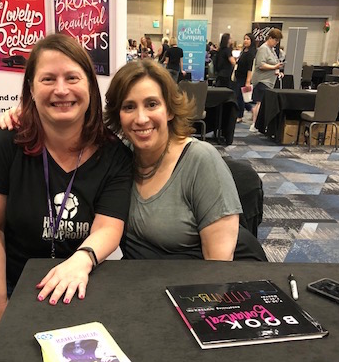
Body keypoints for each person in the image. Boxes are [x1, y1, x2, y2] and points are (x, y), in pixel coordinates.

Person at [0, 34, 132, 328]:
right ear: (31, 88)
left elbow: (108, 226)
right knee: (12, 346)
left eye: (72, 77)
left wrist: (82, 260)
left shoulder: (113, 154)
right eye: (48, 79)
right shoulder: (7, 142)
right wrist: (1, 306)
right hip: (7, 274)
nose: (61, 89)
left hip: (75, 270)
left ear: (90, 86)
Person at [104, 59, 249, 261]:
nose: (141, 118)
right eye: (129, 107)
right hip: (136, 276)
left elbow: (218, 264)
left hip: (191, 278)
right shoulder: (119, 157)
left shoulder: (201, 160)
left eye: (152, 104)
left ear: (170, 110)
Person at [249, 28, 284, 134]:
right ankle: (254, 124)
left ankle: (259, 124)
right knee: (259, 103)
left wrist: (277, 71)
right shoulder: (263, 49)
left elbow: (274, 63)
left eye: (278, 41)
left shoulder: (271, 50)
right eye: (276, 40)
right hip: (262, 81)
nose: (277, 43)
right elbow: (261, 65)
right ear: (270, 38)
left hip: (269, 81)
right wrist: (275, 67)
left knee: (262, 104)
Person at [233, 33, 256, 122]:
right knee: (240, 96)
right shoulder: (244, 51)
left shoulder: (250, 53)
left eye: (248, 39)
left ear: (251, 41)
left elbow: (250, 68)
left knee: (240, 97)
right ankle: (252, 110)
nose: (245, 41)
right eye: (244, 39)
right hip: (238, 76)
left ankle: (240, 116)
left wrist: (248, 81)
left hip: (244, 77)